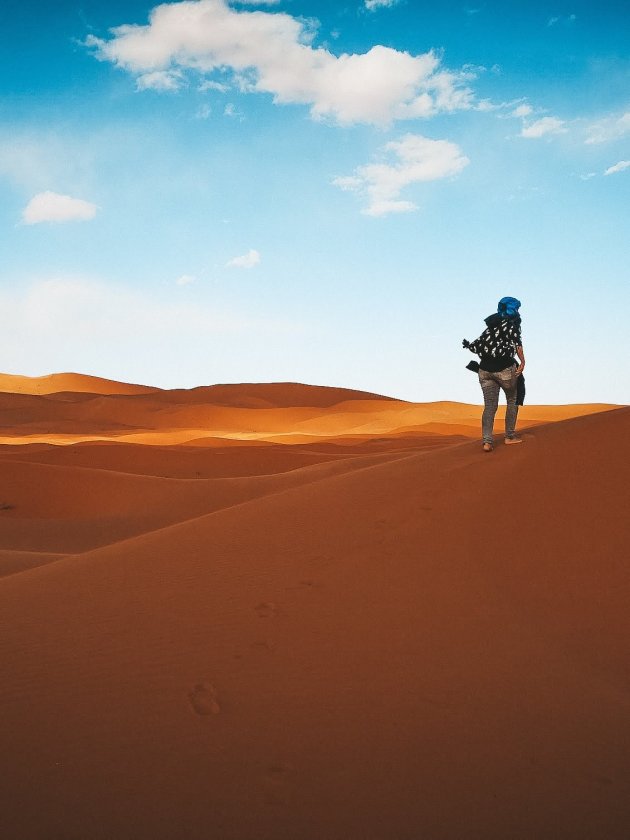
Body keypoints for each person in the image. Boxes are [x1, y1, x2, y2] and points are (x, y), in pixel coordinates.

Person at [462, 296, 526, 452]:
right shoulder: (513, 324)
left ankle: (487, 442)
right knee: (512, 399)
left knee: (490, 406)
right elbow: (518, 346)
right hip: (504, 370)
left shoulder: (492, 324)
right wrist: (523, 362)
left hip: (484, 371)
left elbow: (476, 345)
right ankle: (510, 436)